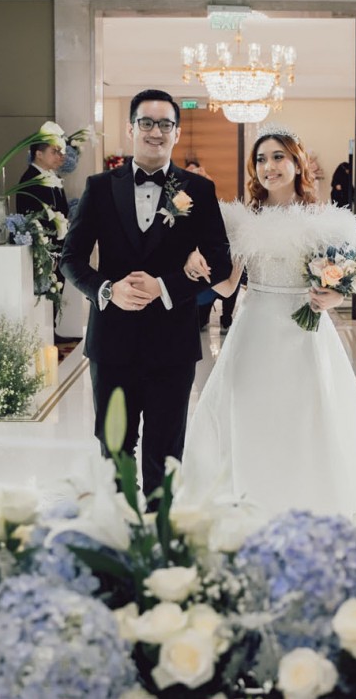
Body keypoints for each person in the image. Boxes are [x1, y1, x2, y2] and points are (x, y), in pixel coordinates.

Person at [179, 126, 356, 517]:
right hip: (255, 328)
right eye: (261, 159)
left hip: (304, 332)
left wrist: (335, 295)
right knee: (250, 412)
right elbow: (227, 286)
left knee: (306, 414)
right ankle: (252, 495)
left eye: (278, 157)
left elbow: (346, 280)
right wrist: (193, 264)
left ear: (297, 162)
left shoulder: (325, 222)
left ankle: (306, 498)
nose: (268, 167)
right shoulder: (243, 221)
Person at [60, 90, 232, 499]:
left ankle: (162, 528)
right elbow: (70, 259)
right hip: (112, 341)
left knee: (165, 455)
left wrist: (165, 286)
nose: (156, 132)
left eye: (165, 124)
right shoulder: (99, 187)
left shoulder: (199, 189)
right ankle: (120, 528)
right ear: (131, 128)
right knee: (114, 451)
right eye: (147, 123)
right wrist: (107, 289)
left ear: (177, 132)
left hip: (172, 343)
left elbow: (221, 263)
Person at [185, 158, 238, 333]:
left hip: (215, 276)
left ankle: (226, 317)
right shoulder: (179, 214)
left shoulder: (220, 213)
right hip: (196, 283)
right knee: (198, 324)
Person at [15, 139, 70, 218]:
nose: (59, 156)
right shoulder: (30, 180)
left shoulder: (55, 177)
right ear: (39, 154)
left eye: (58, 152)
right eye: (54, 152)